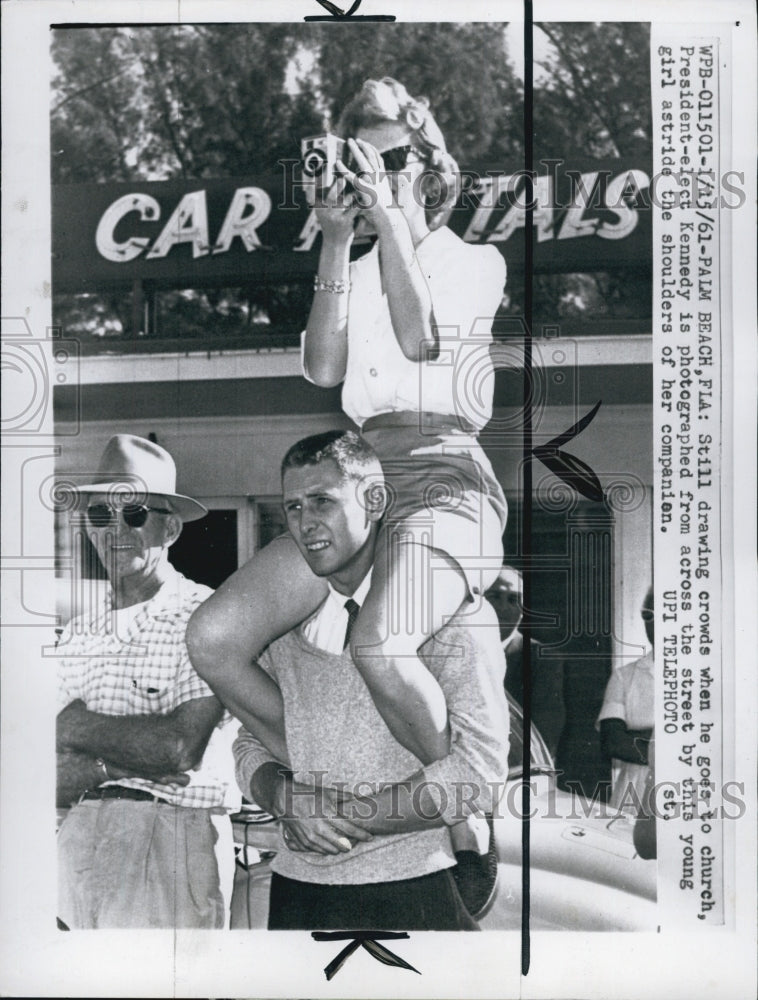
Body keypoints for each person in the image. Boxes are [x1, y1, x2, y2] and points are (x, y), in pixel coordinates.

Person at [188, 76, 507, 774]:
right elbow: (322, 370)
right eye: (363, 164)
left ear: (433, 170)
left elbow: (421, 341)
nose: (377, 179)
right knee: (214, 636)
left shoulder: (473, 260)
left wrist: (388, 217)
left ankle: (456, 797)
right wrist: (335, 238)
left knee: (380, 642)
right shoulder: (358, 268)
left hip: (445, 476)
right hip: (361, 477)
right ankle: (317, 760)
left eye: (393, 162)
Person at [232, 431, 510, 930]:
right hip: (298, 894)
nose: (305, 523)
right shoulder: (288, 623)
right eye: (292, 507)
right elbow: (249, 743)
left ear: (375, 500)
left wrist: (343, 820)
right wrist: (281, 795)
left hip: (417, 887)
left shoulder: (453, 614)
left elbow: (479, 774)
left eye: (322, 501)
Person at [56, 435, 239, 929]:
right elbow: (39, 771)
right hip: (73, 843)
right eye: (100, 516)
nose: (115, 530)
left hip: (168, 840)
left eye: (133, 514)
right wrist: (107, 764)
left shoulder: (205, 617)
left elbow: (178, 748)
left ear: (171, 527)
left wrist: (73, 727)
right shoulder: (77, 631)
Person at [485, 566, 566, 758]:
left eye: (514, 599)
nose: (503, 607)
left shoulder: (541, 658)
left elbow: (545, 732)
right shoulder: (457, 650)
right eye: (494, 596)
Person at [597, 587, 654, 815]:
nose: (656, 624)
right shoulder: (624, 676)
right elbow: (613, 742)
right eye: (648, 616)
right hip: (635, 790)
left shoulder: (710, 676)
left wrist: (640, 738)